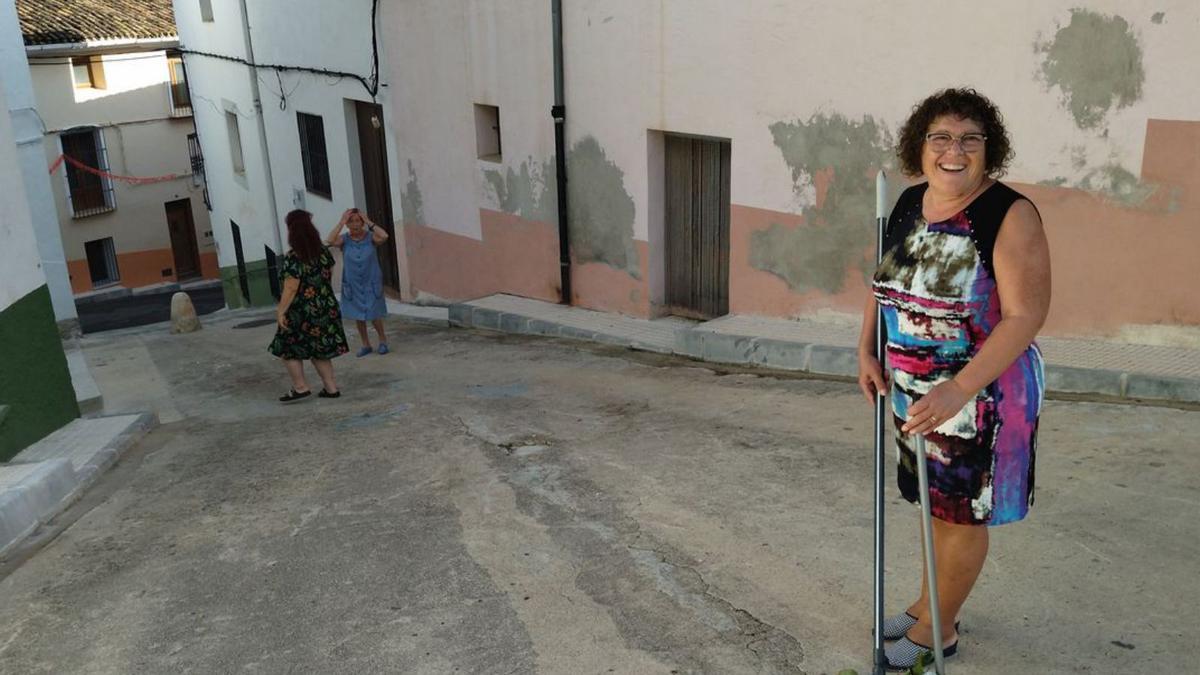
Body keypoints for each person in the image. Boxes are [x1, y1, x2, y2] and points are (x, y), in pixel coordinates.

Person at [857, 88, 1051, 670]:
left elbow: (1026, 316)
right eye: (941, 137)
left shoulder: (1008, 214)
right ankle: (930, 608)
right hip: (913, 390)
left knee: (961, 516)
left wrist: (960, 388)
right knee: (932, 507)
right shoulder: (912, 201)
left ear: (989, 150)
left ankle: (937, 635)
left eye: (970, 139)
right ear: (920, 146)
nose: (954, 150)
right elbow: (883, 282)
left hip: (980, 394)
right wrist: (865, 348)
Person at [269, 209, 349, 402]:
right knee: (320, 349)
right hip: (325, 306)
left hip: (301, 311)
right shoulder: (322, 253)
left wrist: (280, 311)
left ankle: (300, 387)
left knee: (287, 347)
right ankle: (331, 388)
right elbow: (328, 273)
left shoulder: (293, 257)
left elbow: (291, 287)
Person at [327, 207, 390, 357]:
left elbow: (385, 236)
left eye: (358, 221)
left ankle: (383, 341)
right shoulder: (344, 239)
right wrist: (341, 221)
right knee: (358, 315)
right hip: (353, 283)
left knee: (374, 314)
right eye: (351, 221)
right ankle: (366, 344)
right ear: (348, 224)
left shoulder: (370, 237)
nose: (355, 224)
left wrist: (368, 221)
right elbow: (329, 240)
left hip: (371, 281)